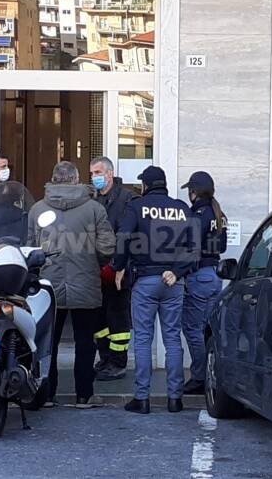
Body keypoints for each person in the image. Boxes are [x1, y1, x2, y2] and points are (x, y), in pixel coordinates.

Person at [28, 161, 116, 408]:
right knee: (85, 341)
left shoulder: (37, 209)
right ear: (77, 180)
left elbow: (30, 247)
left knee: (47, 342)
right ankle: (84, 395)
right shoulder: (94, 209)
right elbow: (107, 246)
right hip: (85, 281)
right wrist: (93, 263)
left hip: (49, 285)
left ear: (53, 179)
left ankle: (47, 393)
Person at [114, 166, 197, 414]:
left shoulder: (137, 206)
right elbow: (194, 248)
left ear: (146, 185)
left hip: (146, 280)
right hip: (173, 282)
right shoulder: (182, 209)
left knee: (142, 339)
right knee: (172, 339)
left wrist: (118, 267)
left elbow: (123, 237)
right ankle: (175, 398)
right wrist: (178, 271)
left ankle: (142, 398)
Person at [89, 156, 139, 381]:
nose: (94, 177)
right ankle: (105, 358)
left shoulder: (127, 199)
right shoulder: (93, 199)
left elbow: (129, 236)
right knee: (99, 320)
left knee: (117, 318)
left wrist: (120, 265)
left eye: (98, 172)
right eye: (92, 174)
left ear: (109, 174)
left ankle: (118, 363)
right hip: (95, 269)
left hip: (118, 270)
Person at [180, 171, 228, 395]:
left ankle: (199, 377)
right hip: (214, 275)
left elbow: (191, 246)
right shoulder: (218, 213)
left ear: (195, 191)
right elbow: (222, 247)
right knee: (207, 330)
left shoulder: (198, 214)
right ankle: (210, 374)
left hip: (199, 276)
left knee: (192, 328)